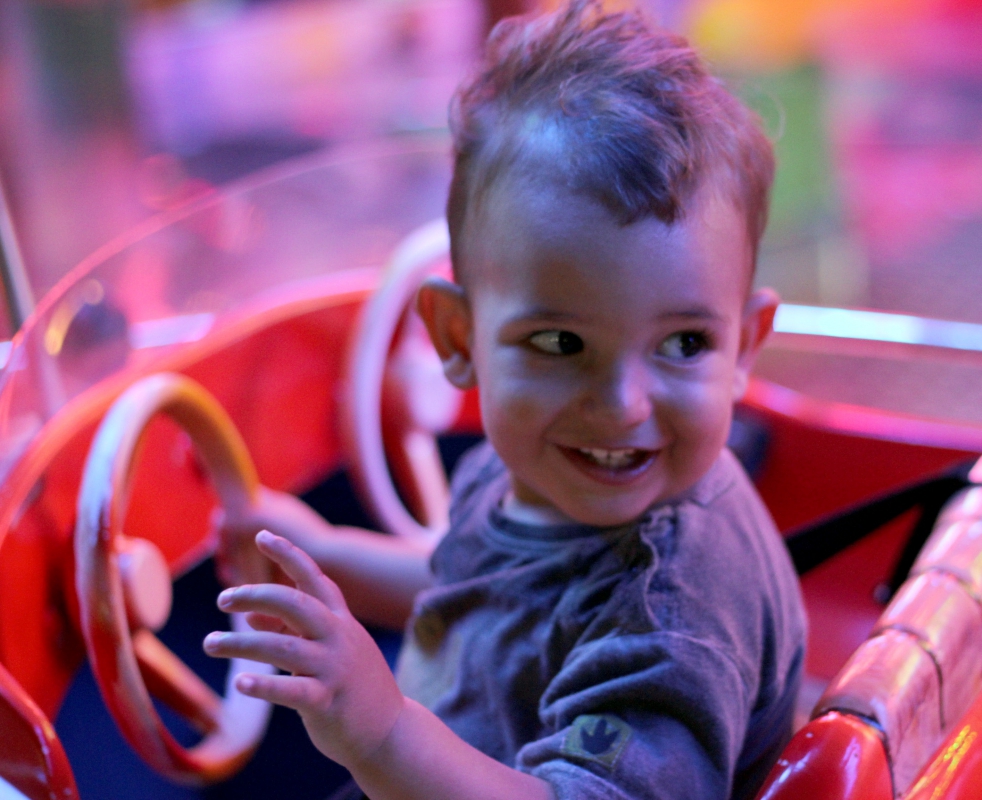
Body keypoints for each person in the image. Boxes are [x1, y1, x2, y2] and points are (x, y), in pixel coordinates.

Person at [205, 2, 806, 798]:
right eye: (560, 343)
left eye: (685, 343)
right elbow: (478, 593)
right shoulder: (531, 470)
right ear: (459, 339)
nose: (622, 405)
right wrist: (328, 556)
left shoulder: (671, 607)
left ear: (744, 347)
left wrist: (384, 732)